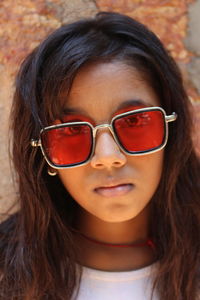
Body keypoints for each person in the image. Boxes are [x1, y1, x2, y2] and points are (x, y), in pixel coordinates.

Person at [0, 11, 199, 300]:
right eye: (71, 132)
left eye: (133, 122)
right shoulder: (8, 279)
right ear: (42, 152)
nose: (107, 157)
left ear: (172, 130)